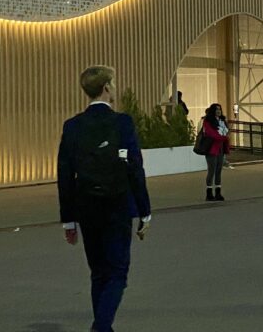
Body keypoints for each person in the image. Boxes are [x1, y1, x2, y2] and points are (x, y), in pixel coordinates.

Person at [57, 66, 152, 332]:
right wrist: (144, 210)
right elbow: (134, 167)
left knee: (98, 271)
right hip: (118, 204)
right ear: (107, 88)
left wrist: (68, 220)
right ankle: (101, 327)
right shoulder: (122, 123)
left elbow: (65, 174)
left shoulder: (73, 126)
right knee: (118, 272)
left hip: (86, 207)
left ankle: (103, 326)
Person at [201, 104, 229, 201]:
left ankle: (218, 192)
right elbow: (211, 134)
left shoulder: (222, 121)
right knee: (211, 170)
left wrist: (224, 136)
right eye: (217, 109)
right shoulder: (208, 121)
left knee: (218, 171)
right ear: (213, 111)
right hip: (211, 149)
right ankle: (209, 193)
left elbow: (226, 132)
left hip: (220, 149)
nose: (219, 111)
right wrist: (223, 137)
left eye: (220, 109)